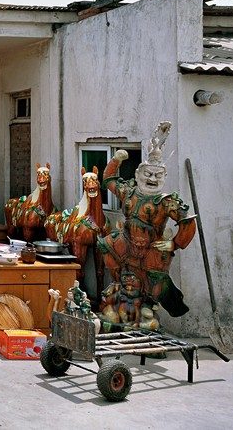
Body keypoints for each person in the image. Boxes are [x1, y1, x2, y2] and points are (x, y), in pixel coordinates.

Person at [97, 121, 196, 324]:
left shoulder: (166, 201)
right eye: (147, 174)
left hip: (152, 244)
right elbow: (108, 179)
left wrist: (174, 243)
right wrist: (115, 160)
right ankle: (117, 287)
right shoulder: (128, 192)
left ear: (165, 177)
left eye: (157, 175)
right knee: (105, 244)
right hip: (127, 239)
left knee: (156, 276)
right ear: (137, 174)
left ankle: (149, 304)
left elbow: (187, 221)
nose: (152, 178)